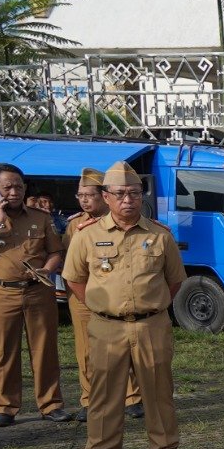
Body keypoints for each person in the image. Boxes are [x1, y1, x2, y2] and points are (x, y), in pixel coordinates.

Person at [61, 162, 188, 449]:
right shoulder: (86, 236)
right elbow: (74, 279)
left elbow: (174, 281)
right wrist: (101, 306)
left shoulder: (160, 236)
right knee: (104, 395)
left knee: (159, 392)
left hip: (151, 326)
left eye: (133, 193)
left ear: (141, 195)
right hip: (107, 327)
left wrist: (151, 305)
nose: (127, 200)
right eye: (119, 194)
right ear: (106, 196)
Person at [0, 163, 72, 427]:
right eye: (7, 187)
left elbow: (55, 251)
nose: (14, 192)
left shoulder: (40, 216)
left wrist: (47, 268)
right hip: (1, 292)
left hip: (37, 292)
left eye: (19, 187)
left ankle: (50, 404)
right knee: (3, 352)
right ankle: (5, 407)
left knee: (44, 349)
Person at [63, 168, 144, 423]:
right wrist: (90, 301)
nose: (85, 200)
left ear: (104, 195)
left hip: (119, 299)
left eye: (90, 195)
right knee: (87, 352)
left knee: (128, 349)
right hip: (84, 297)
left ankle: (132, 397)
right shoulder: (76, 225)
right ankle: (89, 399)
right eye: (80, 195)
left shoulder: (126, 221)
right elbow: (72, 269)